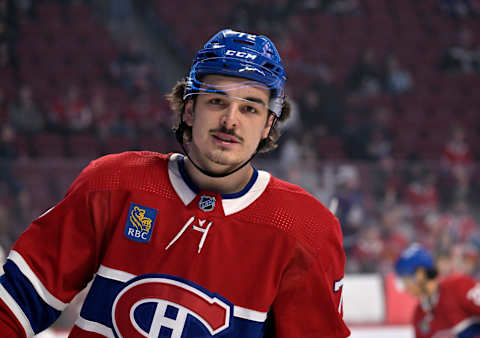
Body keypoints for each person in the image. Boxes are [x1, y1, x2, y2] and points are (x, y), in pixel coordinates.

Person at [0, 29, 350, 337]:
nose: (230, 120)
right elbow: (15, 305)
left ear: (269, 126)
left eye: (250, 109)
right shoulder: (112, 183)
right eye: (216, 101)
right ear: (188, 109)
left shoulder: (306, 230)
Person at [395, 243, 480, 338]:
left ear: (420, 274)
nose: (405, 288)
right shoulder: (419, 316)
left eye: (406, 280)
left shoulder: (459, 287)